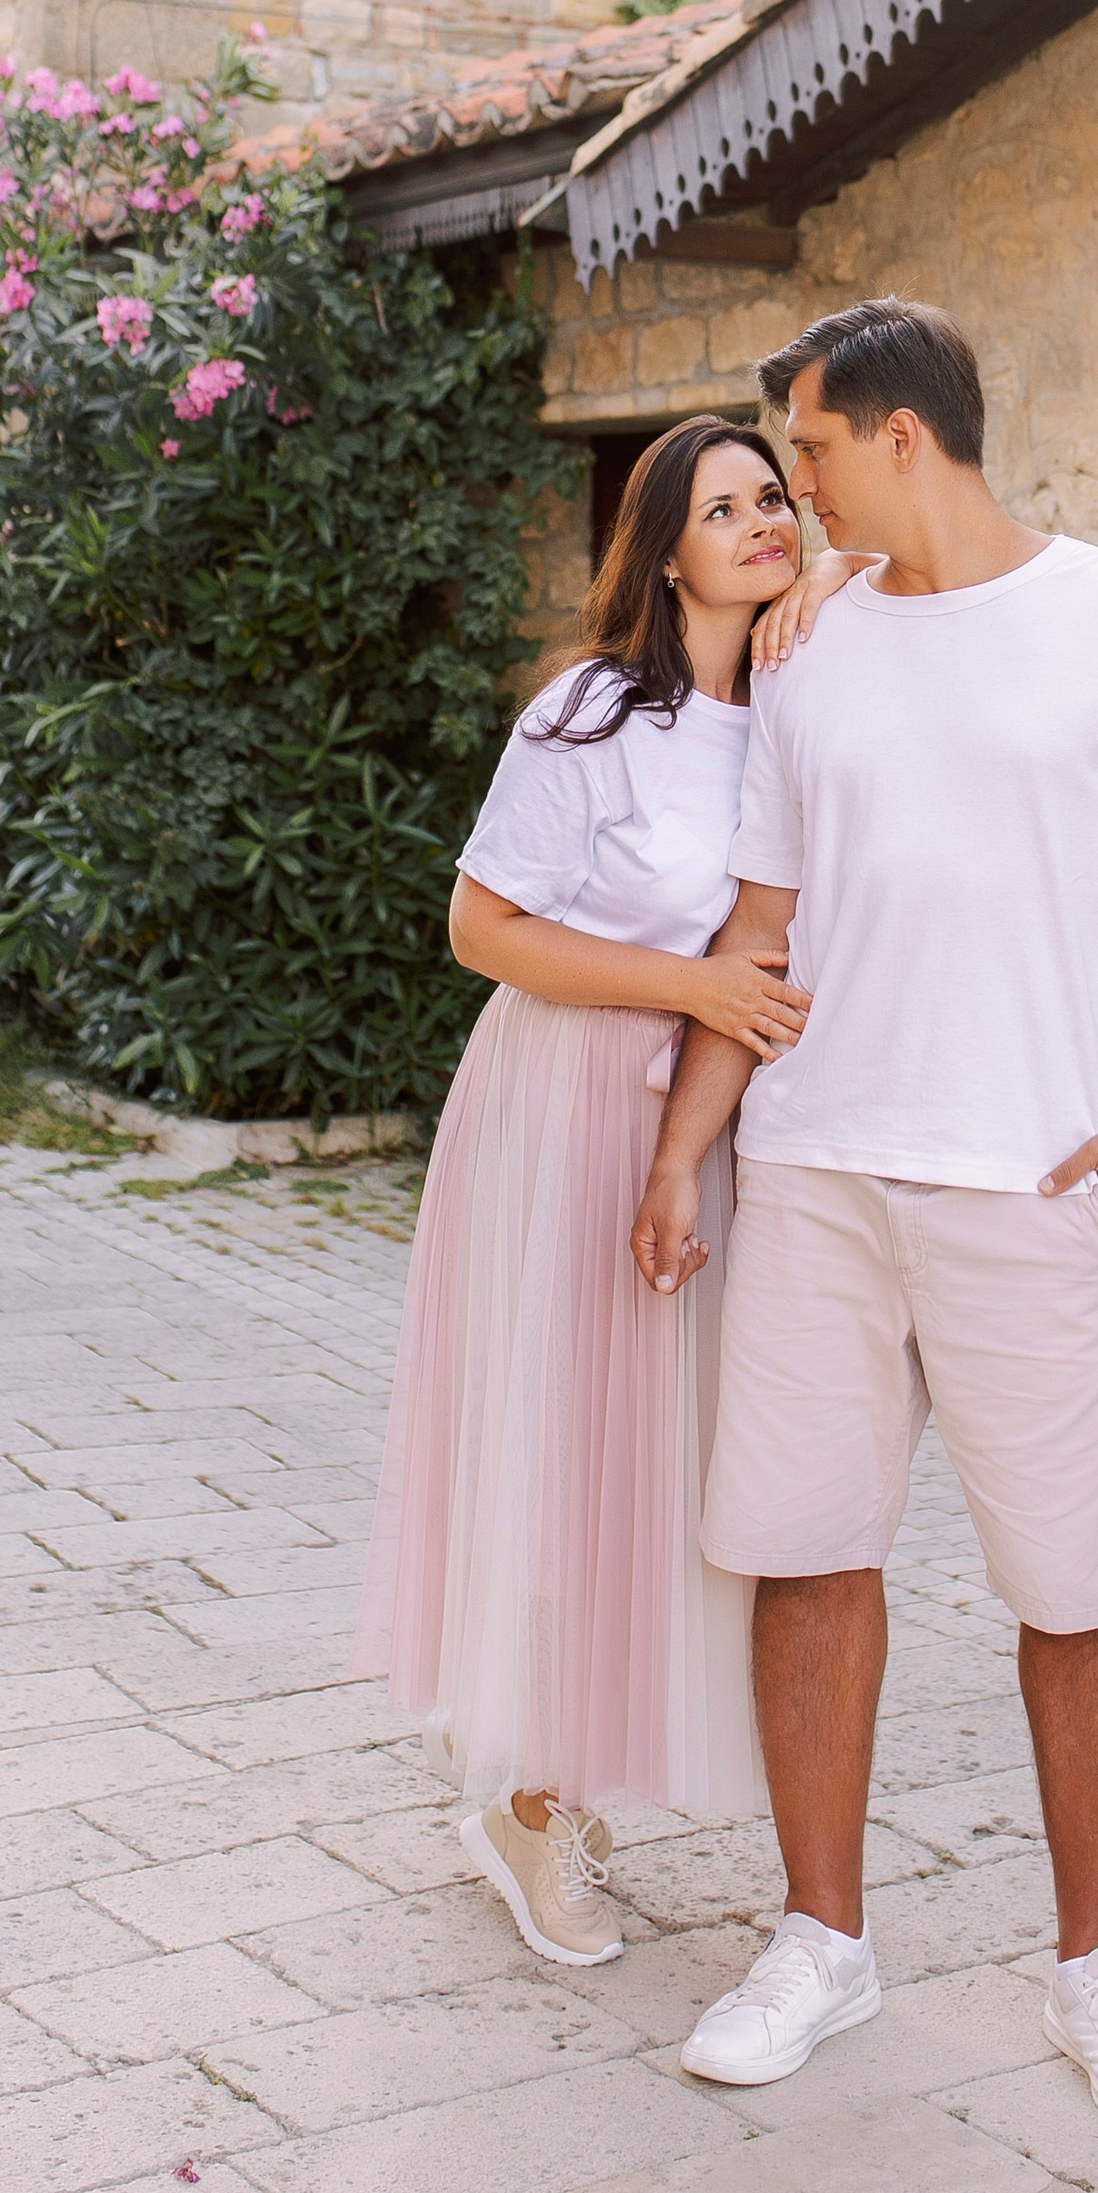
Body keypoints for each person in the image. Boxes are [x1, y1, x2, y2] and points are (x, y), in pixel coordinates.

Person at [632, 299, 1098, 2133]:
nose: (793, 489)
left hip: (1036, 1189)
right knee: (806, 1554)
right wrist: (691, 1149)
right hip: (822, 1173)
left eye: (813, 450)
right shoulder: (810, 650)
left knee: (1080, 1589)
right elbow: (760, 928)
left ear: (903, 437)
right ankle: (822, 1943)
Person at [355, 419, 860, 1966]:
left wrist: (831, 567)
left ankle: (551, 1769)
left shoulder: (790, 711)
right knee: (565, 1445)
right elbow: (483, 928)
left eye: (775, 497)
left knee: (658, 1465)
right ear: (663, 550)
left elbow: (897, 562)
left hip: (695, 1127)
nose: (764, 522)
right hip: (559, 1098)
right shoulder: (594, 714)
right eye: (725, 509)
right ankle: (527, 1800)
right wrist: (692, 986)